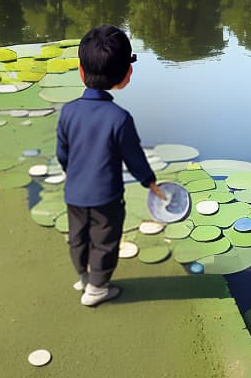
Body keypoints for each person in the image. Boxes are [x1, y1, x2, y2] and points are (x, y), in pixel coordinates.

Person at [56, 24, 164, 307]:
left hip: (75, 194)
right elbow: (134, 158)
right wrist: (149, 181)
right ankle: (97, 288)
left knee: (78, 237)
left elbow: (63, 152)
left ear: (80, 70)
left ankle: (83, 276)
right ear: (127, 75)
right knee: (105, 240)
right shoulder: (119, 118)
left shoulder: (68, 111)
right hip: (107, 197)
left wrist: (75, 175)